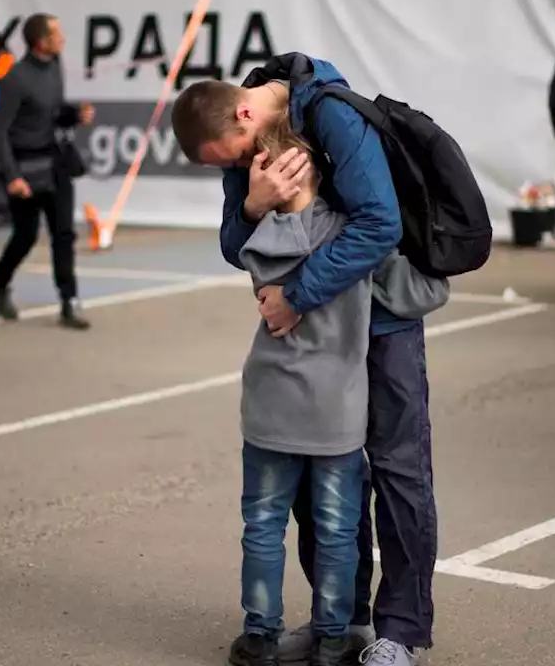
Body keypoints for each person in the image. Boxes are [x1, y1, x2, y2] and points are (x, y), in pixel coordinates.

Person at [171, 52, 441, 666]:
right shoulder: (240, 136)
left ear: (245, 112)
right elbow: (235, 247)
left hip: (382, 320)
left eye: (236, 157)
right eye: (231, 167)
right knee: (323, 478)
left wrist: (296, 295)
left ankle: (401, 631)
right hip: (317, 325)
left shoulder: (333, 115)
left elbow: (380, 225)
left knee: (398, 472)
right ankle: (339, 622)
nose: (241, 168)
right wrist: (250, 206)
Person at [225, 117, 448, 666]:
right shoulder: (355, 240)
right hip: (335, 413)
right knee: (337, 528)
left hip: (270, 406)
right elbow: (427, 290)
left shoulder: (261, 239)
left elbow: (240, 244)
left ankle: (260, 634)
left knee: (263, 525)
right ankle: (333, 639)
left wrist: (255, 205)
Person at [0, 13, 95, 331]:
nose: (62, 39)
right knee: (26, 234)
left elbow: (54, 114)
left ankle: (69, 302)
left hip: (55, 163)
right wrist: (12, 176)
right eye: (57, 33)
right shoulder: (15, 78)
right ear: (41, 41)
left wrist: (74, 115)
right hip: (26, 168)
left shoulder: (55, 68)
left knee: (63, 233)